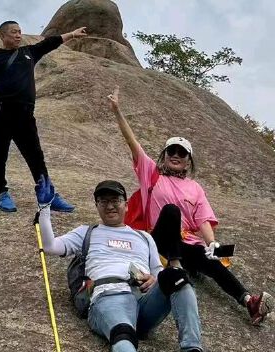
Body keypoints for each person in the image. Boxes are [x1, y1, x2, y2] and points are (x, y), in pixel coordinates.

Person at [107, 86, 273, 325]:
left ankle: (249, 302)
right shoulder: (152, 174)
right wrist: (117, 111)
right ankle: (176, 266)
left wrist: (212, 244)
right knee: (172, 211)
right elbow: (133, 143)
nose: (176, 155)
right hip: (158, 241)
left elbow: (202, 219)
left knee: (212, 262)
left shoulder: (195, 188)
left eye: (182, 153)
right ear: (164, 155)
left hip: (186, 244)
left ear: (188, 161)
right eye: (171, 151)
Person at [37, 178, 211, 352]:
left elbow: (158, 272)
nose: (110, 206)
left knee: (177, 277)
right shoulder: (87, 232)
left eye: (116, 200)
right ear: (97, 206)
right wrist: (44, 209)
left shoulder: (144, 237)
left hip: (143, 300)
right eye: (103, 201)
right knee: (121, 328)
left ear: (126, 205)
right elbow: (50, 246)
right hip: (108, 294)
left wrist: (154, 279)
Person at [0, 20, 86, 213]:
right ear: (2, 36)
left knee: (35, 155)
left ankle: (47, 194)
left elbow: (49, 43)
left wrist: (71, 34)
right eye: (14, 32)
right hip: (2, 112)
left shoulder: (29, 52)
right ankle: (1, 193)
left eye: (20, 31)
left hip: (25, 113)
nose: (18, 35)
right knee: (0, 153)